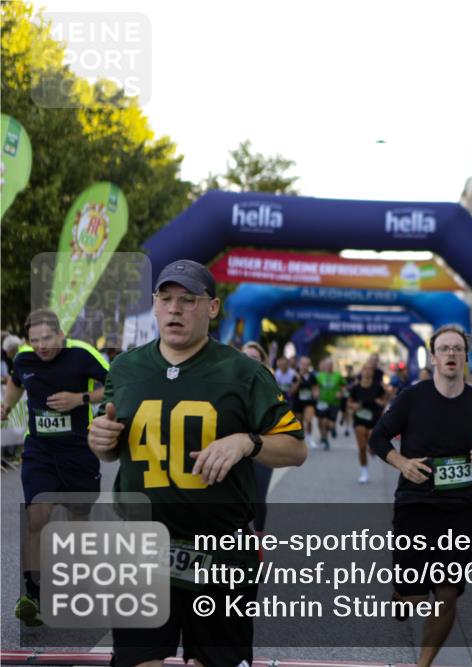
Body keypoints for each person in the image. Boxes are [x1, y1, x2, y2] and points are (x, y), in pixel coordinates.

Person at [87, 260, 307, 667]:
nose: (175, 309)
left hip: (222, 552)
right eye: (166, 299)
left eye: (188, 300)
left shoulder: (244, 372)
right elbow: (111, 446)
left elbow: (295, 448)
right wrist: (100, 441)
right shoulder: (125, 368)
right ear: (154, 305)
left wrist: (247, 442)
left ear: (212, 308)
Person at [368, 325, 472, 667]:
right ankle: (402, 594)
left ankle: (423, 664)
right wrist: (401, 462)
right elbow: (378, 438)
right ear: (433, 357)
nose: (451, 354)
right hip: (415, 504)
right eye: (444, 349)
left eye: (457, 349)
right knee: (411, 596)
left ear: (465, 357)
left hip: (458, 508)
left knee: (446, 590)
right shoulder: (412, 398)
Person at [1, 309, 109, 626]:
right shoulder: (23, 358)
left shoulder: (82, 354)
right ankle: (33, 595)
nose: (41, 346)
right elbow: (16, 381)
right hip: (40, 451)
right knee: (37, 517)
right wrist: (7, 404)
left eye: (47, 339)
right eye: (35, 341)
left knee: (78, 519)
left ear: (61, 334)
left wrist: (81, 398)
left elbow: (116, 384)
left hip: (78, 449)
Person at [242, 341, 275, 535]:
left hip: (263, 447)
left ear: (262, 362)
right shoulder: (225, 384)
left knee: (257, 497)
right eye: (244, 356)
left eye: (254, 358)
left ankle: (259, 537)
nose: (248, 361)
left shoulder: (269, 386)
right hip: (234, 450)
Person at [347, 362, 388, 483]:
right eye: (365, 369)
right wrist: (354, 406)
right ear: (361, 371)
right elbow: (349, 403)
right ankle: (364, 471)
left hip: (374, 420)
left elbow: (385, 401)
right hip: (359, 419)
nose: (367, 371)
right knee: (362, 447)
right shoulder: (355, 388)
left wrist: (380, 402)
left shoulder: (378, 387)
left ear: (373, 372)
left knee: (371, 444)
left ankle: (372, 449)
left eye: (370, 369)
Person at [315, 357, 346, 450]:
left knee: (331, 423)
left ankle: (332, 428)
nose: (329, 367)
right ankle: (326, 441)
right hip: (323, 403)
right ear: (324, 366)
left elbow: (344, 386)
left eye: (330, 365)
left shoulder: (338, 376)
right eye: (327, 365)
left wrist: (340, 393)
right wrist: (316, 393)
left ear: (332, 366)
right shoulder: (320, 376)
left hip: (334, 403)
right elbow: (316, 387)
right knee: (323, 421)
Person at [290, 355, 319, 448]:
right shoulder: (295, 375)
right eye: (303, 364)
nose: (304, 366)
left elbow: (315, 388)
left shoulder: (312, 376)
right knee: (299, 422)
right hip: (298, 402)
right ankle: (301, 439)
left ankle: (310, 438)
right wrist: (298, 380)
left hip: (309, 402)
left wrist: (316, 394)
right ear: (299, 364)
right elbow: (292, 391)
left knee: (308, 419)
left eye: (307, 364)